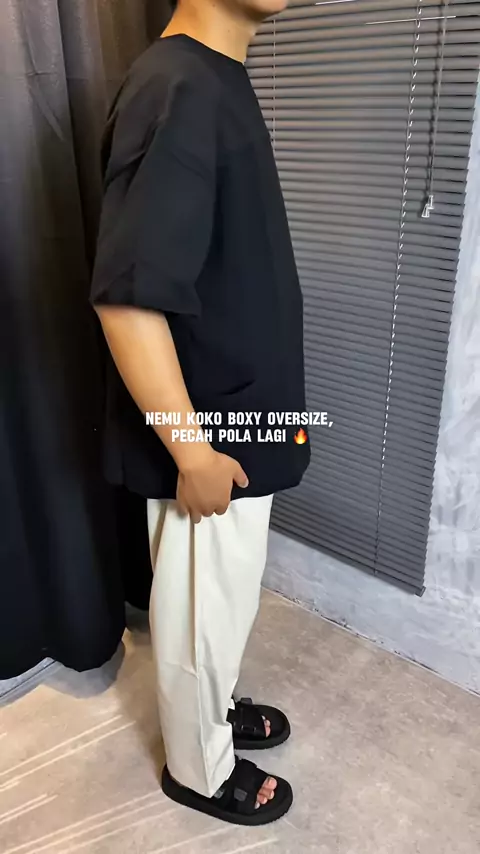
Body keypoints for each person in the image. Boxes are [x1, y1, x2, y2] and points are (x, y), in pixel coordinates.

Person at [90, 0, 310, 827]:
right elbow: (128, 300)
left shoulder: (214, 80)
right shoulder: (177, 86)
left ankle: (211, 711)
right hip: (211, 436)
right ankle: (199, 769)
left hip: (237, 420)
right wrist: (192, 453)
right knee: (196, 618)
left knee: (220, 607)